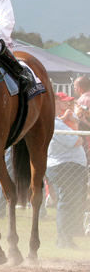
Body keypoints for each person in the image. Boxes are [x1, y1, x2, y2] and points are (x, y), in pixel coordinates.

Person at [45, 92, 88, 248]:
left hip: (69, 165)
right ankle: (63, 240)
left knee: (71, 202)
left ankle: (67, 237)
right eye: (61, 102)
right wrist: (75, 125)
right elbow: (76, 141)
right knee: (67, 202)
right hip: (64, 166)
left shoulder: (59, 121)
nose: (67, 105)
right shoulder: (55, 122)